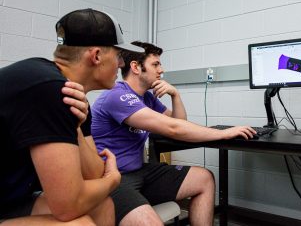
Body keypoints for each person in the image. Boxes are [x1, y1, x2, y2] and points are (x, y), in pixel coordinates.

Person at [0, 8, 145, 225]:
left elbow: (93, 175)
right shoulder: (50, 89)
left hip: (9, 200)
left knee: (102, 206)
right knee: (79, 224)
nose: (121, 64)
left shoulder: (75, 99)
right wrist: (113, 180)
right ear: (96, 56)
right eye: (119, 56)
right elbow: (68, 206)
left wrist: (75, 129)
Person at [91, 41, 256, 226]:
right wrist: (223, 133)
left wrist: (175, 95)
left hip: (139, 172)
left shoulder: (146, 98)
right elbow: (174, 129)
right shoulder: (117, 95)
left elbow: (179, 124)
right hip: (113, 178)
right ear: (136, 67)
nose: (161, 70)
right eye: (155, 64)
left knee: (204, 179)